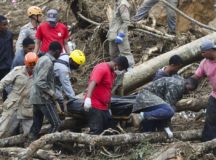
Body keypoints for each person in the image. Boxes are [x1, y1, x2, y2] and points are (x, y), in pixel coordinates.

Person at [131, 76, 198, 138]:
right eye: (189, 89)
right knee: (169, 111)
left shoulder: (180, 83)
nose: (189, 92)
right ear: (186, 83)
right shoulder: (177, 86)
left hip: (150, 99)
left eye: (191, 91)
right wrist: (167, 128)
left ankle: (144, 136)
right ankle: (140, 117)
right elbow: (168, 108)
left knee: (150, 131)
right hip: (146, 98)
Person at [84, 56, 129, 134]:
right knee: (96, 131)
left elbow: (108, 91)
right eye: (121, 69)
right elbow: (93, 82)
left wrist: (109, 108)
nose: (120, 72)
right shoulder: (102, 68)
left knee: (109, 130)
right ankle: (91, 145)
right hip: (95, 105)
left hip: (104, 106)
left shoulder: (112, 73)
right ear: (117, 65)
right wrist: (88, 98)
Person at [28, 41, 62, 141]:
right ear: (56, 51)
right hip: (43, 98)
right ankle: (46, 144)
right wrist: (52, 93)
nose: (59, 54)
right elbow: (40, 81)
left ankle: (30, 142)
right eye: (59, 52)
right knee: (56, 124)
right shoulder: (48, 61)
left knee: (37, 123)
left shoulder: (41, 58)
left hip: (35, 96)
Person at [0, 52, 38, 138]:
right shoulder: (17, 71)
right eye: (30, 66)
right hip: (13, 105)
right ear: (26, 64)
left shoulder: (39, 75)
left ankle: (27, 149)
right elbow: (3, 82)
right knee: (2, 130)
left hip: (28, 107)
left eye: (34, 66)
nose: (32, 68)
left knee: (30, 134)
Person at [192, 39, 216, 142]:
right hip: (215, 95)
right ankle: (208, 144)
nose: (202, 54)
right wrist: (190, 82)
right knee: (210, 120)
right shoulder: (204, 63)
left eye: (203, 52)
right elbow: (197, 76)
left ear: (211, 50)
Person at [107, 0, 135, 67]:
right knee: (113, 54)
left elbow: (126, 21)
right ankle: (115, 71)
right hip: (113, 34)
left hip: (120, 34)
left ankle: (131, 70)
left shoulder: (123, 4)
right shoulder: (116, 3)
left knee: (125, 53)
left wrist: (121, 34)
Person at [0, 15, 14, 100]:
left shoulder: (9, 34)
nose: (6, 27)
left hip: (8, 65)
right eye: (4, 25)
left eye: (6, 24)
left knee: (8, 88)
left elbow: (11, 48)